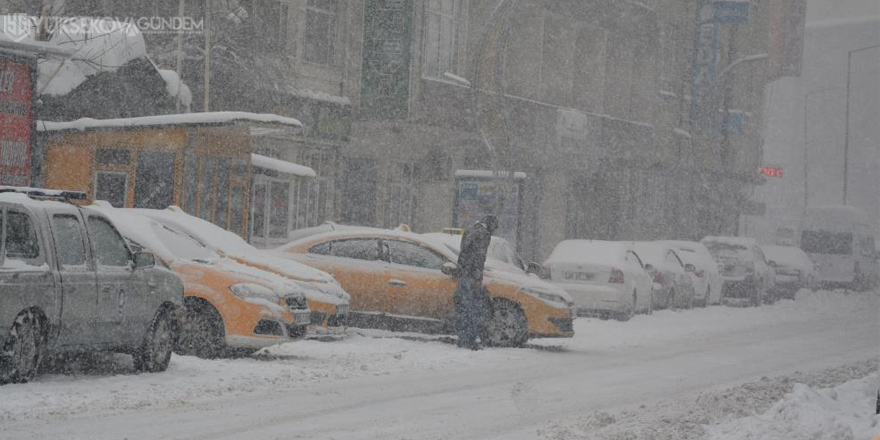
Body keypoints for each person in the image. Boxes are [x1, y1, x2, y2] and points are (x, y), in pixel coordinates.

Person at [454, 215, 499, 350]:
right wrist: (478, 277)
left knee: (464, 307)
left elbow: (463, 252)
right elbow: (479, 258)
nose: (493, 231)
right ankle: (469, 340)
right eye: (494, 228)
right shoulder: (484, 234)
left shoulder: (469, 230)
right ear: (490, 225)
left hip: (463, 274)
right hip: (472, 276)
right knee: (473, 308)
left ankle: (462, 338)